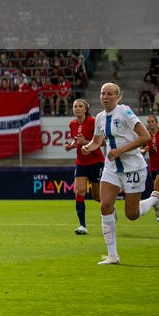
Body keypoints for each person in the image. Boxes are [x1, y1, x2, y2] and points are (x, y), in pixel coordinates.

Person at [93, 80, 151, 265]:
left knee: (132, 215)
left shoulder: (125, 111)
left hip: (132, 166)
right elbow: (96, 141)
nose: (105, 97)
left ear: (118, 97)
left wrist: (120, 150)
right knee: (105, 206)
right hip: (111, 167)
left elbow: (145, 137)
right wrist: (86, 147)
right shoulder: (100, 117)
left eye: (110, 93)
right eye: (103, 93)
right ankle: (112, 255)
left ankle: (155, 199)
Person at [68, 97, 103, 235]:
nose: (77, 108)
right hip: (81, 162)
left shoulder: (94, 122)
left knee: (97, 197)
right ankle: (82, 226)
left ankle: (110, 210)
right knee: (79, 191)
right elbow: (76, 141)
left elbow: (103, 142)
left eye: (80, 106)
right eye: (75, 106)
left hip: (96, 162)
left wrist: (86, 143)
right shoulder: (72, 124)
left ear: (86, 108)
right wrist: (70, 146)